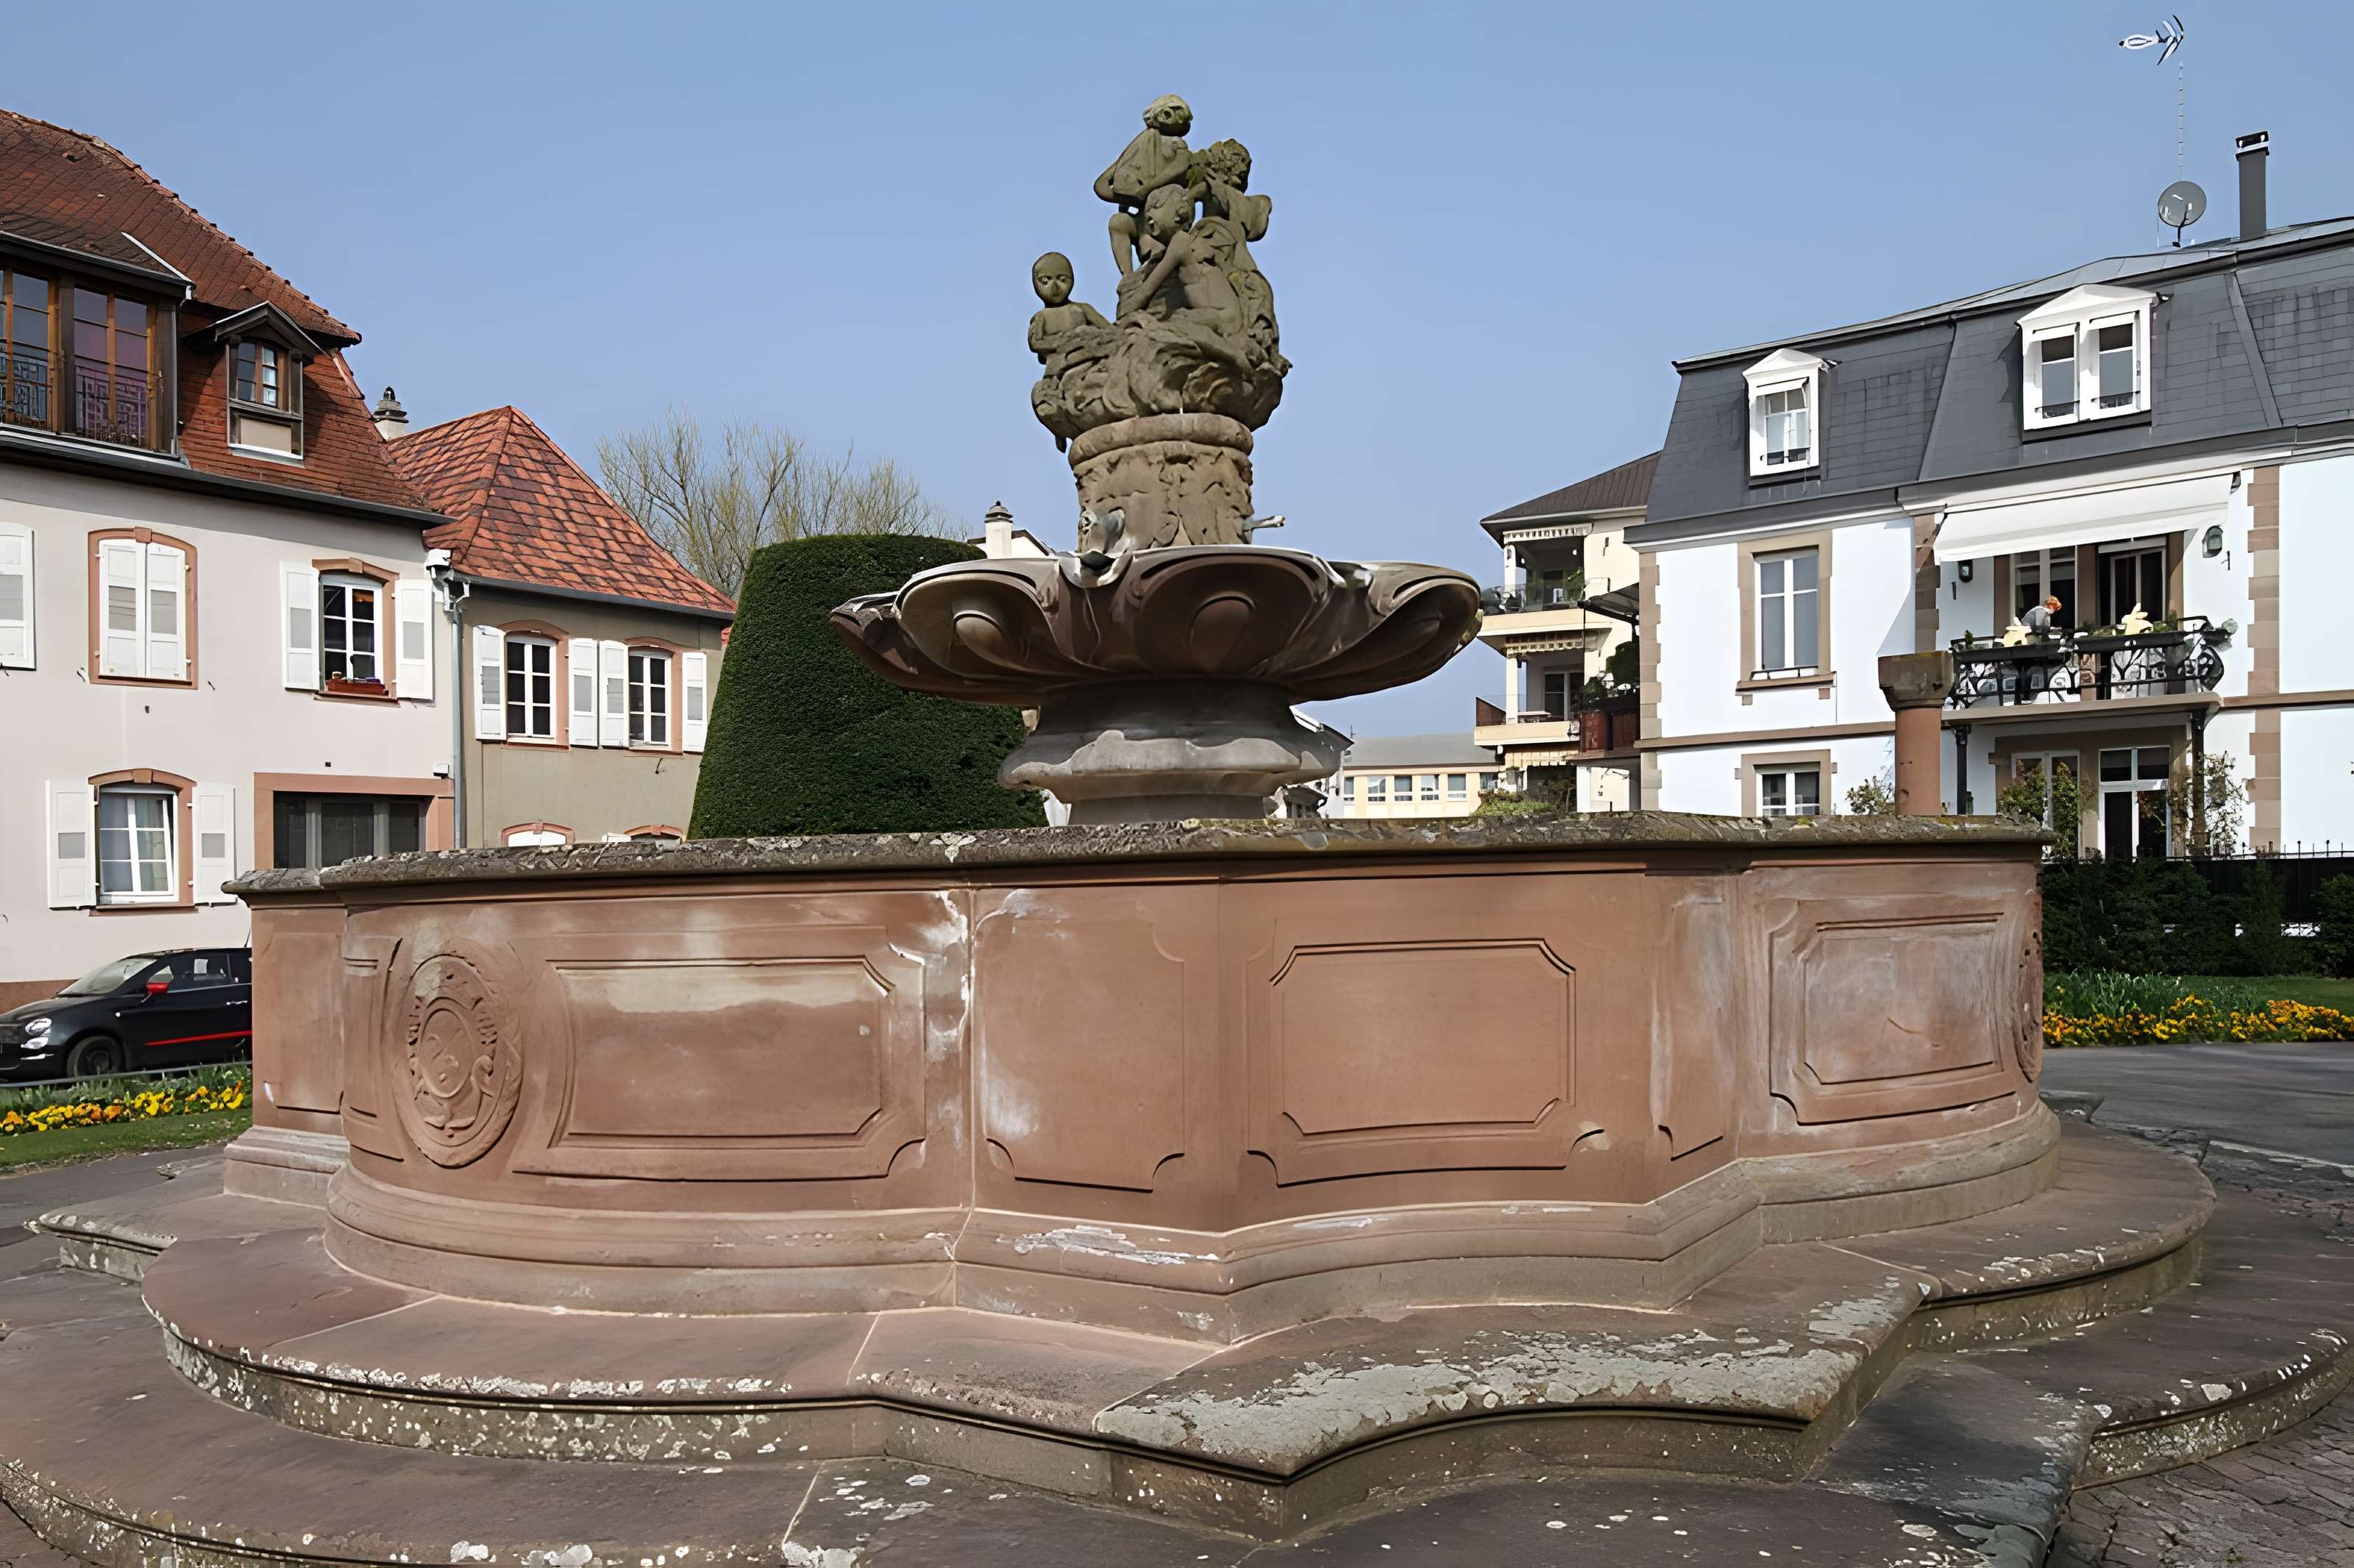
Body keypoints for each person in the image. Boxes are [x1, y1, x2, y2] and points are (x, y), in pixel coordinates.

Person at [1095, 95, 1195, 276]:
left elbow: (1181, 165)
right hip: (1144, 217)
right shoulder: (1143, 144)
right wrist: (1127, 189)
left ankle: (1154, 250)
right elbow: (1102, 186)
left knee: (1155, 233)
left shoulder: (1177, 144)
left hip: (1168, 214)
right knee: (1118, 223)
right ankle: (1128, 278)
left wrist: (1147, 188)